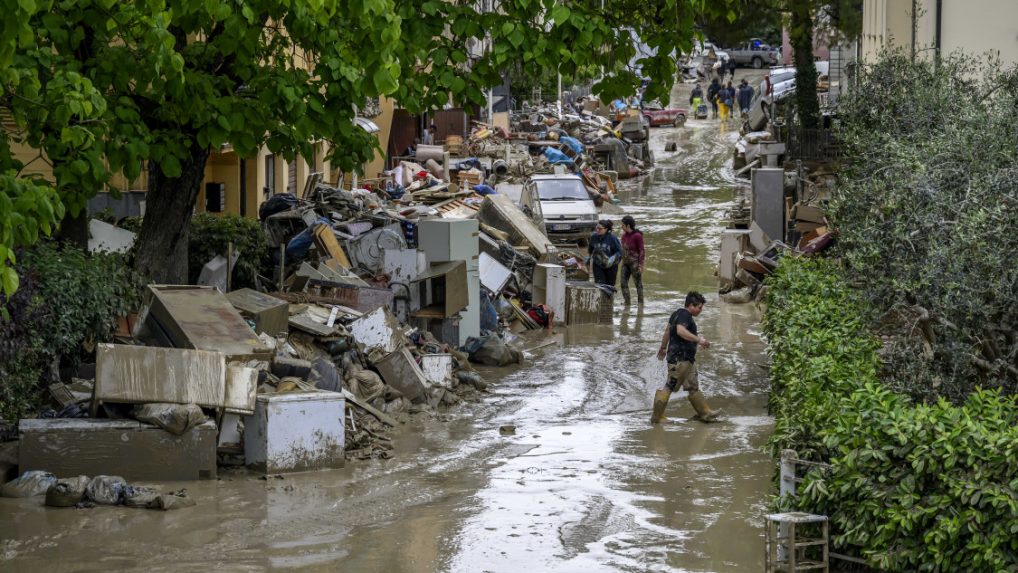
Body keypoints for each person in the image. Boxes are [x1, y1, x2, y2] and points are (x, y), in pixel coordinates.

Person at [651, 291, 721, 424]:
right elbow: (680, 331)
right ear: (691, 305)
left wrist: (663, 348)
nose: (701, 310)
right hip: (679, 359)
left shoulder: (676, 314)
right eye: (699, 307)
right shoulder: (685, 315)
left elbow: (667, 331)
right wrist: (699, 340)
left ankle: (705, 414)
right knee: (669, 386)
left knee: (692, 386)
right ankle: (657, 417)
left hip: (687, 359)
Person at [587, 219, 622, 289]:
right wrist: (588, 259)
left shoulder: (612, 238)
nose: (597, 230)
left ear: (606, 229)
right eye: (597, 228)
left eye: (600, 229)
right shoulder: (593, 237)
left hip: (611, 266)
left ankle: (610, 299)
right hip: (597, 265)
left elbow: (619, 252)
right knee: (600, 286)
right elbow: (590, 250)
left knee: (610, 287)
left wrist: (611, 259)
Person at [619, 215, 645, 306]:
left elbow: (642, 250)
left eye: (622, 225)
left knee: (638, 284)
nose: (621, 227)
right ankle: (627, 302)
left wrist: (641, 265)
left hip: (635, 263)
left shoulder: (637, 236)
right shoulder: (623, 236)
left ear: (628, 225)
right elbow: (622, 250)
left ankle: (641, 304)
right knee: (623, 283)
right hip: (625, 263)